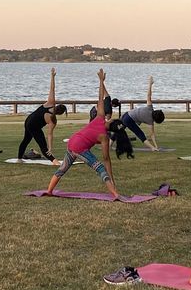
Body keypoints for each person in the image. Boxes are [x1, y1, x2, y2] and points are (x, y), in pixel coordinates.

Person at [44, 69, 132, 199]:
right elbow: (106, 160)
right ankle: (115, 194)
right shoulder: (105, 138)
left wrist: (101, 81)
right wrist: (112, 181)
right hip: (80, 148)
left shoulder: (100, 116)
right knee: (100, 168)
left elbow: (100, 99)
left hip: (73, 141)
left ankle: (49, 190)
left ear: (111, 120)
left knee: (63, 168)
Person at [17, 68, 68, 161]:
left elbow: (52, 89)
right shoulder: (53, 120)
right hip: (33, 126)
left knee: (26, 140)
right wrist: (50, 148)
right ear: (60, 113)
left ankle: (19, 158)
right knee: (42, 145)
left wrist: (52, 76)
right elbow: (49, 135)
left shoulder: (50, 103)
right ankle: (54, 161)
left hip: (28, 120)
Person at [120, 76, 165, 151]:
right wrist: (156, 146)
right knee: (140, 134)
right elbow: (152, 135)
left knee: (119, 130)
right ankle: (152, 148)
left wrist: (150, 84)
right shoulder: (150, 121)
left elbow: (148, 95)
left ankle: (109, 145)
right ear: (156, 120)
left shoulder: (150, 108)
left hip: (126, 115)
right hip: (129, 119)